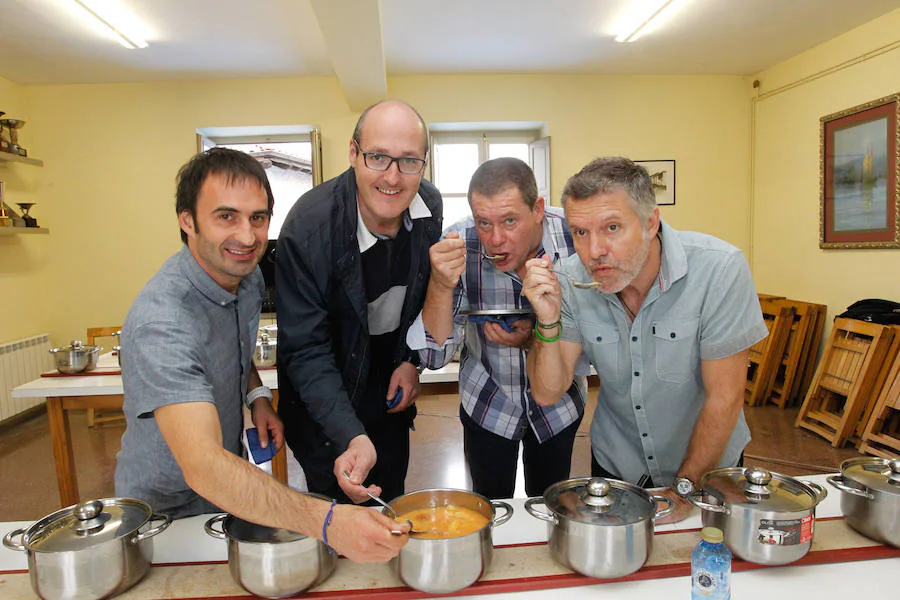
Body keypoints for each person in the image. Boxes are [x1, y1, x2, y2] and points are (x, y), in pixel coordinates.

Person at [115, 147, 407, 563]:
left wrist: (256, 398)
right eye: (225, 216)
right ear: (186, 220)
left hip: (226, 495)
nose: (248, 237)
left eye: (258, 217)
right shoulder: (161, 323)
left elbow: (230, 347)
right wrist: (326, 521)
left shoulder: (245, 277)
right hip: (165, 512)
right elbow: (202, 465)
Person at [523, 156, 768, 500]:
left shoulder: (719, 270)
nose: (594, 252)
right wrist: (547, 321)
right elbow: (548, 393)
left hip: (708, 466)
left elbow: (724, 399)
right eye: (580, 232)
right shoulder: (571, 279)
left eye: (612, 228)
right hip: (618, 463)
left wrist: (687, 484)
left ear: (651, 222)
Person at [275, 100, 442, 505]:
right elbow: (306, 348)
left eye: (409, 161)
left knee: (391, 502)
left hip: (388, 393)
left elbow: (420, 295)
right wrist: (348, 433)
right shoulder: (308, 227)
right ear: (352, 153)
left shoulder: (428, 208)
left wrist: (409, 360)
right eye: (378, 157)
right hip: (323, 397)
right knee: (338, 513)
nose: (393, 177)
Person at [420, 157, 586, 499]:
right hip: (488, 400)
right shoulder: (459, 243)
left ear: (538, 209)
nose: (495, 239)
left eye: (510, 221)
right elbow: (434, 357)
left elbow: (594, 330)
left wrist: (534, 340)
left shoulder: (575, 239)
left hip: (558, 407)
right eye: (484, 222)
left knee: (551, 506)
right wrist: (439, 283)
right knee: (489, 507)